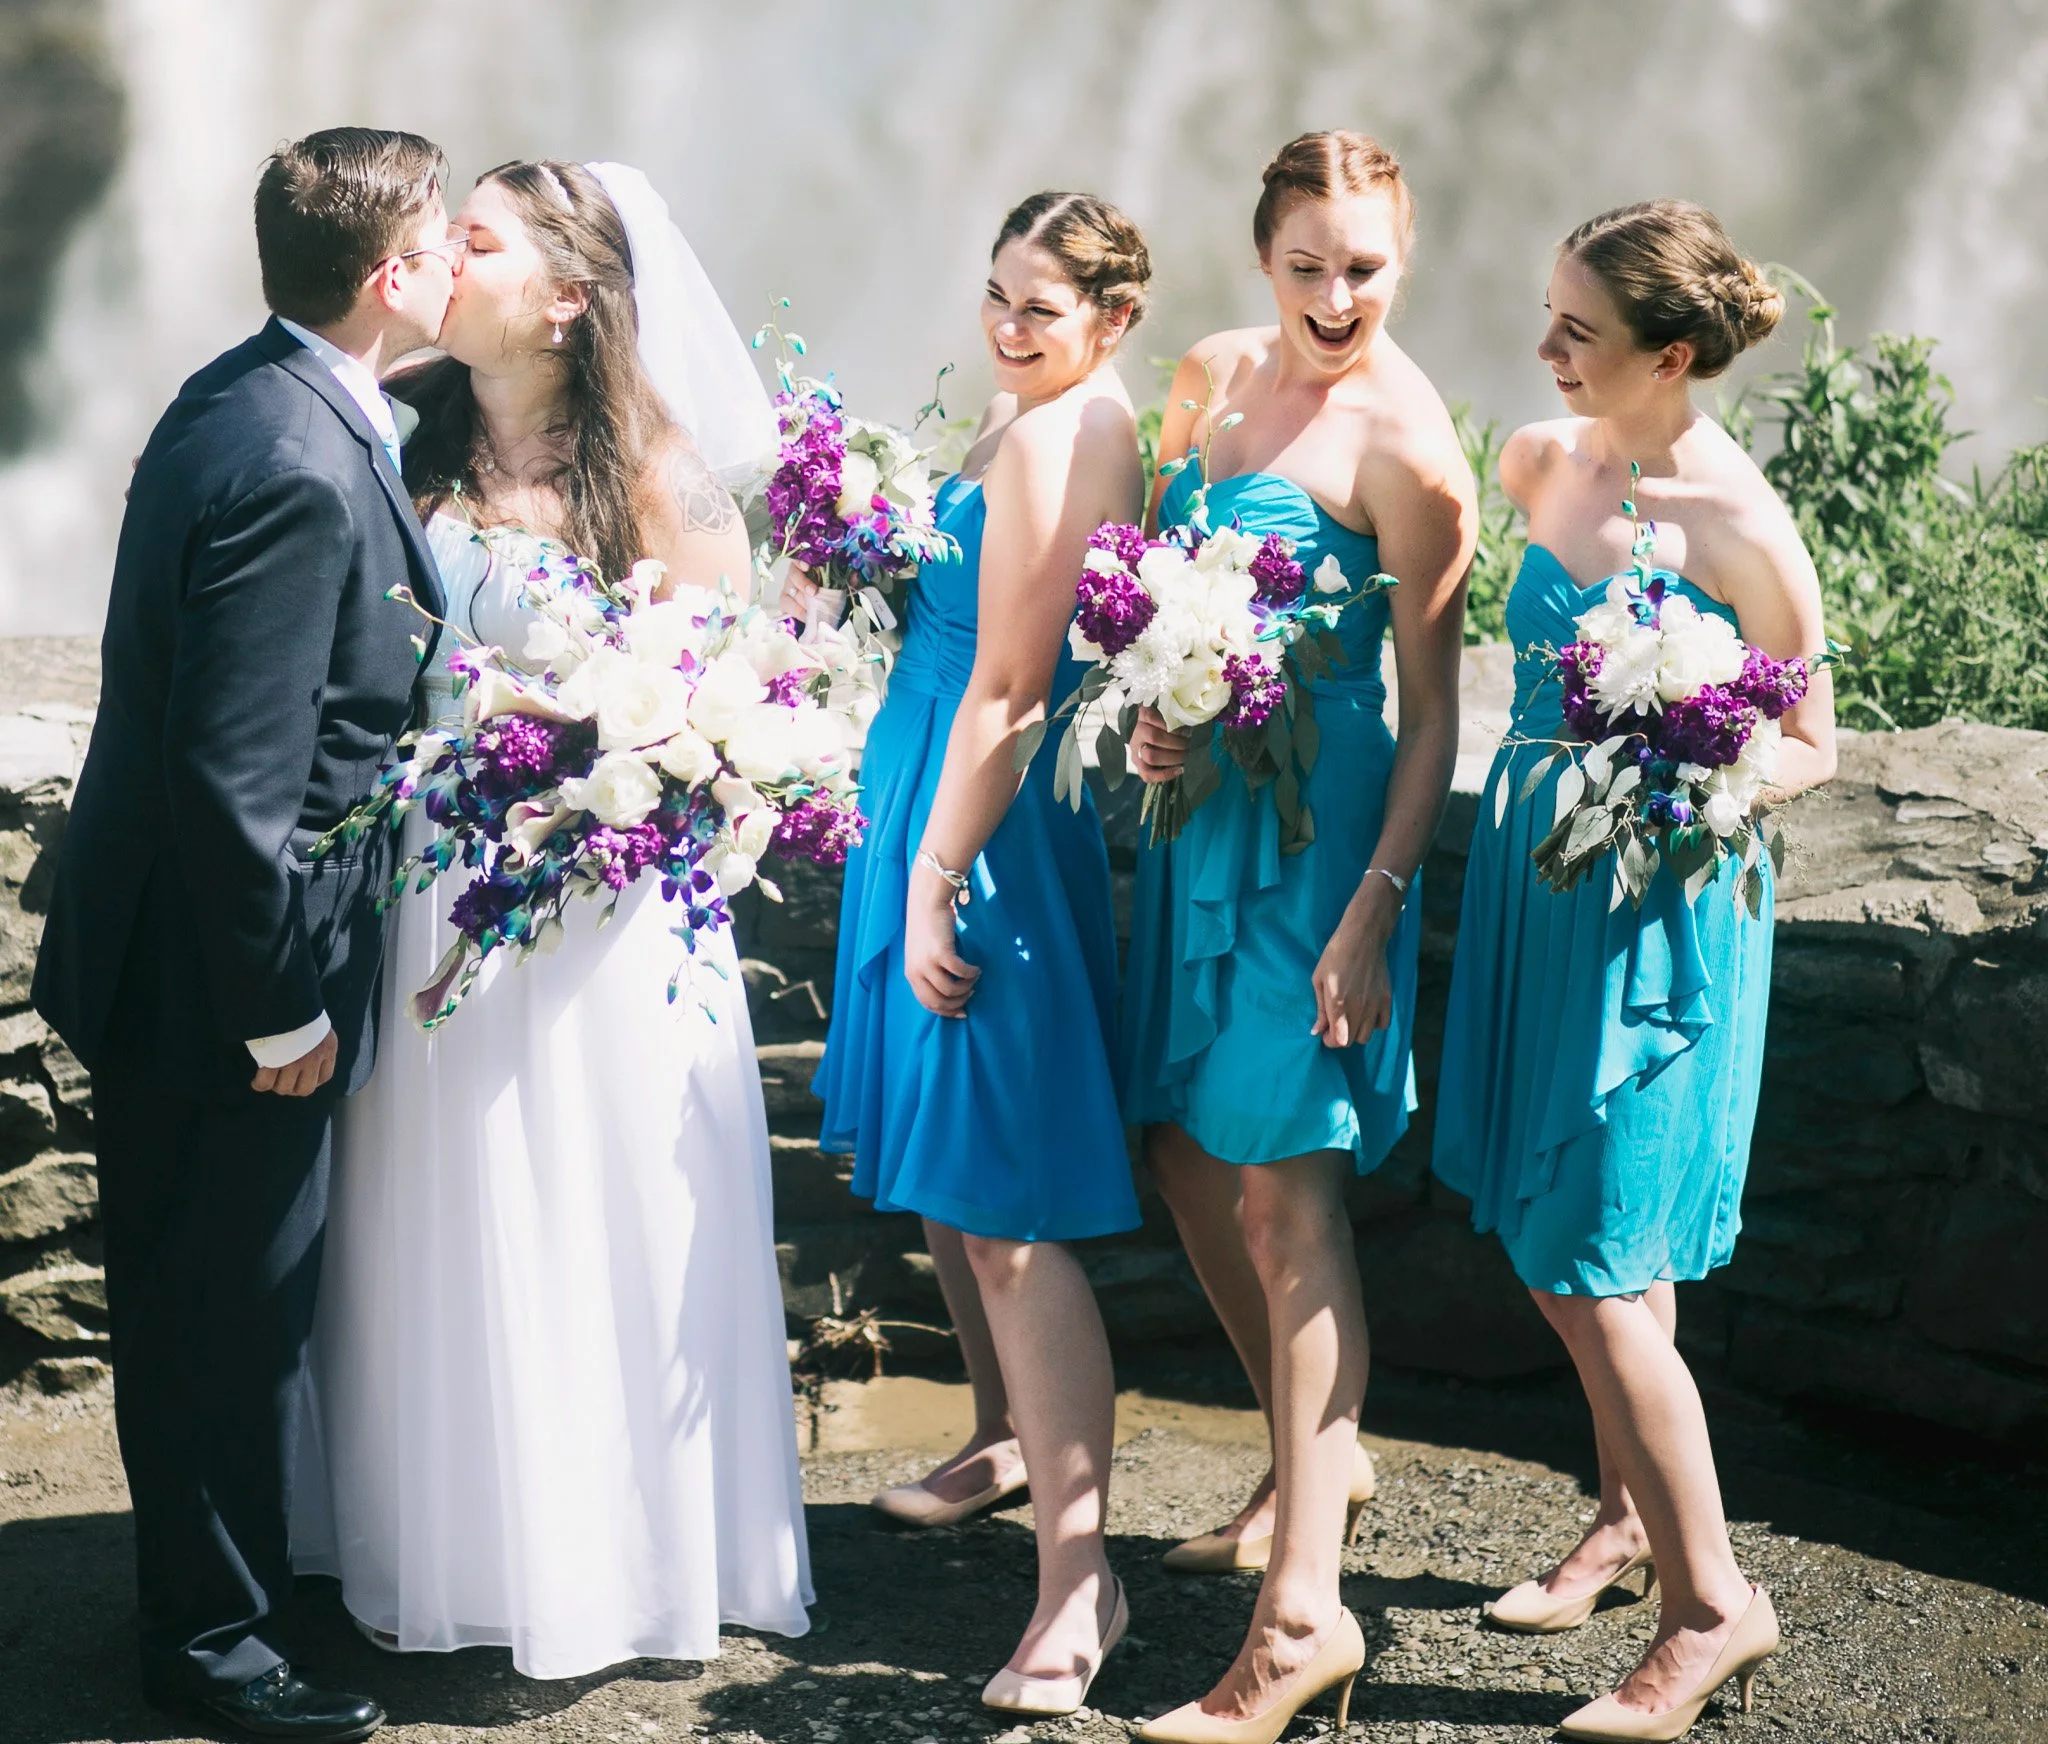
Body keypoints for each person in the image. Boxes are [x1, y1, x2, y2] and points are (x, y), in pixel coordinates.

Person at [289, 160, 812, 1678]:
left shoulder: (653, 471)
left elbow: (729, 701)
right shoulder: (401, 435)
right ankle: (438, 1542)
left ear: (569, 299)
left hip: (595, 910)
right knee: (434, 1224)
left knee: (588, 1219)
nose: (439, 256)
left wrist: (610, 785)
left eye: (477, 239)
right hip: (427, 889)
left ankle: (604, 1562)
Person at [33, 127, 460, 1741]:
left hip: (173, 950)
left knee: (201, 1299)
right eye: (442, 239)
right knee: (225, 1318)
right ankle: (210, 1652)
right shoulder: (296, 462)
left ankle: (215, 1600)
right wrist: (278, 1009)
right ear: (391, 275)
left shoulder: (248, 391)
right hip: (218, 980)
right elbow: (237, 782)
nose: (454, 261)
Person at [1434, 200, 1835, 1741]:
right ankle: (1622, 1519)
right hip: (1545, 891)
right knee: (1603, 1245)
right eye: (1548, 313)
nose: (1544, 349)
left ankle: (1713, 1608)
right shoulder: (1545, 461)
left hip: (1658, 915)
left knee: (1586, 1257)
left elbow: (1811, 739)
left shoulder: (1740, 526)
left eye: (1578, 331)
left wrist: (1700, 773)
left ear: (1671, 356)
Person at [1118, 132, 1476, 1744]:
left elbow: (1433, 716)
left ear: (1407, 257)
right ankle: (1310, 1459)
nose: (1338, 298)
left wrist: (1373, 914)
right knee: (1185, 1151)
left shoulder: (1414, 451)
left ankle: (1304, 1623)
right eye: (1308, 266)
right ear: (1263, 256)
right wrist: (1156, 714)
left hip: (1321, 848)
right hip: (1202, 822)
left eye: (1366, 268)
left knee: (1287, 1197)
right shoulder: (1207, 379)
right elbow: (1149, 597)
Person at [801, 193, 1147, 1716]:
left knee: (1004, 1205)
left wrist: (938, 880)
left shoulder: (1064, 439)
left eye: (1042, 309)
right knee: (949, 1168)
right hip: (926, 789)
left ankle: (1083, 1582)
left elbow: (1013, 687)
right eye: (997, 295)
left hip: (980, 819)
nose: (1008, 327)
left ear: (1113, 320)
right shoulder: (1030, 411)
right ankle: (1004, 1435)